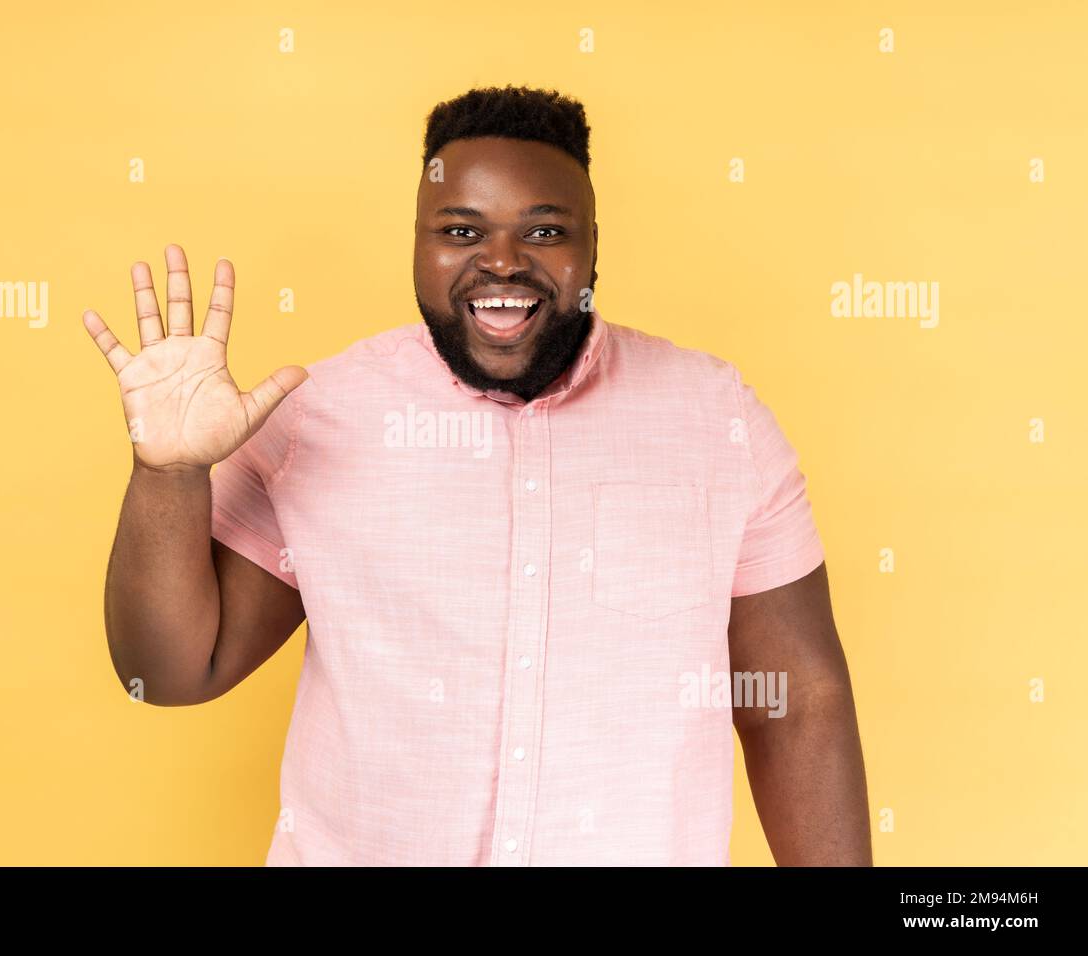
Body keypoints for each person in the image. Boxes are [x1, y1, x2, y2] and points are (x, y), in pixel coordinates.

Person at [82, 85, 871, 866]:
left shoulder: (717, 418)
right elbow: (170, 673)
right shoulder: (321, 419)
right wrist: (171, 473)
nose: (501, 261)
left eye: (544, 230)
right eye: (462, 229)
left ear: (593, 245)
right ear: (418, 243)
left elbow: (795, 706)